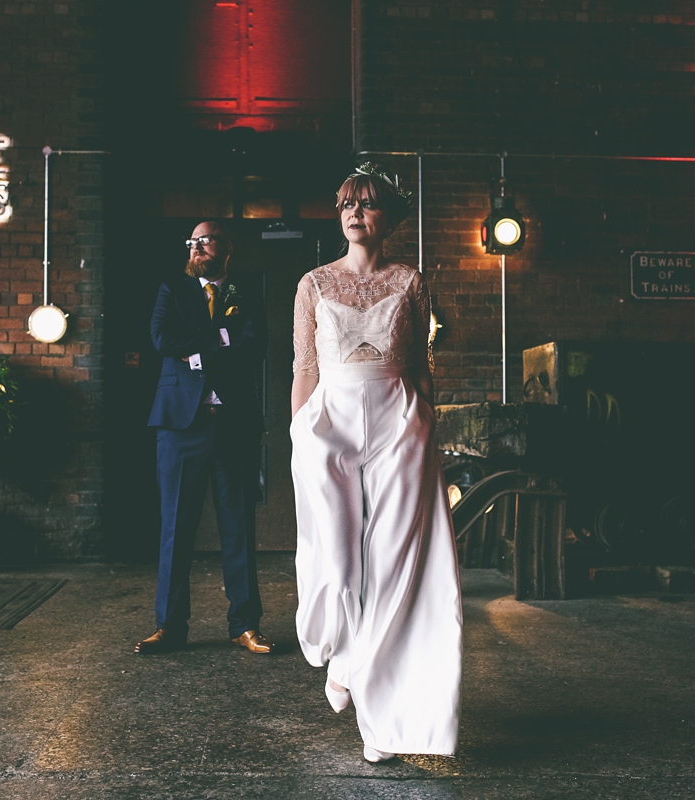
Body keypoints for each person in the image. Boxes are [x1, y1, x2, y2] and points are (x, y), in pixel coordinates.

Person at [290, 164, 463, 763]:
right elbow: (305, 370)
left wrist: (427, 426)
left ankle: (376, 721)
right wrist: (296, 433)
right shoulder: (312, 283)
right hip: (327, 423)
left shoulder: (410, 281)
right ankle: (344, 659)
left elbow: (420, 367)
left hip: (400, 420)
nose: (354, 214)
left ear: (389, 218)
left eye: (366, 205)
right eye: (346, 204)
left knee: (393, 567)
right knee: (338, 565)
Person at [136, 220, 274, 656]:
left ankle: (245, 624)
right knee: (175, 527)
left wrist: (196, 347)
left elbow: (256, 342)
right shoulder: (171, 290)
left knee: (239, 526)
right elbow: (162, 338)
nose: (196, 247)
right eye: (192, 242)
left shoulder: (247, 290)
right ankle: (170, 627)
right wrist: (221, 340)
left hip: (233, 424)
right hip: (180, 425)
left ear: (226, 248)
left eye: (206, 240)